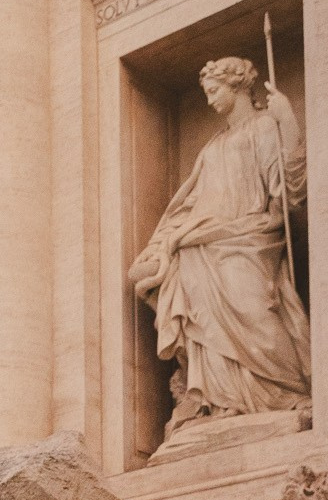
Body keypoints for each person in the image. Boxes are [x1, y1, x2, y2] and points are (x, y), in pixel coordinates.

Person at [129, 55, 309, 435]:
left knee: (254, 309)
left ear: (236, 88)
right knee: (203, 320)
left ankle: (288, 391)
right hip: (201, 244)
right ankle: (223, 400)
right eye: (206, 93)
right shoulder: (213, 145)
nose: (209, 100)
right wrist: (163, 243)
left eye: (214, 92)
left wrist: (287, 119)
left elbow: (289, 187)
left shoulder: (263, 128)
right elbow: (190, 203)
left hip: (250, 236)